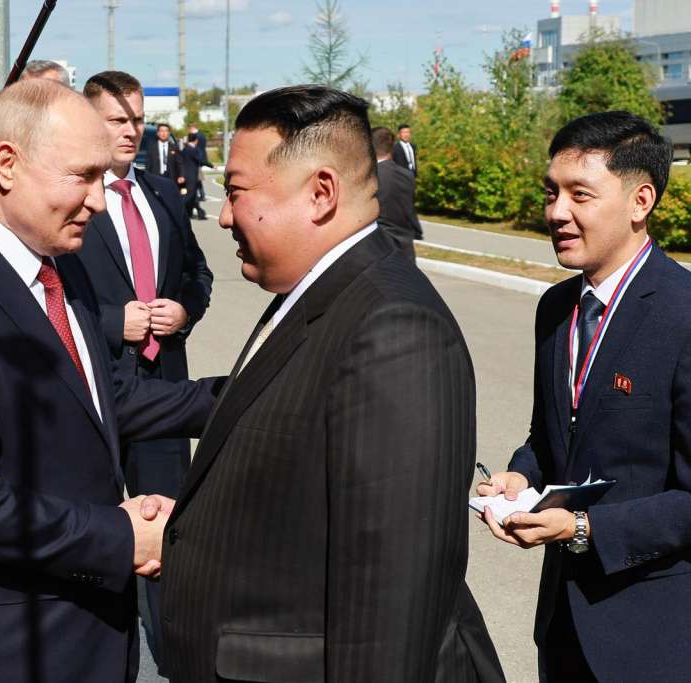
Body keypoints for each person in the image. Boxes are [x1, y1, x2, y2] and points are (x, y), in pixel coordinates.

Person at [156, 85, 504, 682]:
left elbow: (389, 608)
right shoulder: (318, 290)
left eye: (236, 192)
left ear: (320, 193)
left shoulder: (395, 329)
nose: (224, 215)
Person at [0, 78, 219, 683]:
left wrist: (242, 397)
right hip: (1, 648)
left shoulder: (60, 271)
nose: (99, 201)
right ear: (7, 164)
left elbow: (102, 400)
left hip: (85, 630)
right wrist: (121, 537)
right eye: (82, 177)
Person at [477, 111, 691, 682]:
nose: (556, 212)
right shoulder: (555, 308)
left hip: (658, 638)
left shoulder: (683, 314)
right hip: (562, 627)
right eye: (551, 192)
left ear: (640, 201)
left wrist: (582, 528)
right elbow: (551, 438)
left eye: (580, 194)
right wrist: (520, 477)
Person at [79, 69, 213, 669]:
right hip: (96, 395)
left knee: (168, 535)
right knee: (98, 534)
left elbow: (198, 273)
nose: (130, 130)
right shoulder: (72, 197)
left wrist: (183, 310)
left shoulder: (160, 193)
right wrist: (113, 322)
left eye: (136, 118)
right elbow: (45, 289)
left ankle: (173, 658)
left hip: (163, 392)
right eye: (117, 119)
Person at [0, 59, 72, 197]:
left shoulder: (83, 141)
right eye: (27, 93)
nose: (36, 101)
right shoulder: (5, 137)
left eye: (46, 92)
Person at [372, 126, 423, 261]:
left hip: (378, 247)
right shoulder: (407, 175)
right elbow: (408, 208)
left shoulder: (370, 176)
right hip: (405, 247)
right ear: (392, 147)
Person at [179, 134, 211, 220]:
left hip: (186, 175)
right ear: (196, 140)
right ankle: (179, 211)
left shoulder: (184, 149)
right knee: (190, 196)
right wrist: (211, 165)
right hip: (191, 176)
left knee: (193, 196)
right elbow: (201, 160)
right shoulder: (193, 150)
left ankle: (196, 213)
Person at [187, 123, 209, 201]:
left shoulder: (194, 136)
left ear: (192, 128)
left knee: (196, 177)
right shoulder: (202, 135)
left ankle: (199, 195)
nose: (189, 131)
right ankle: (201, 195)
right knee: (197, 177)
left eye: (189, 129)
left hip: (195, 158)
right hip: (201, 158)